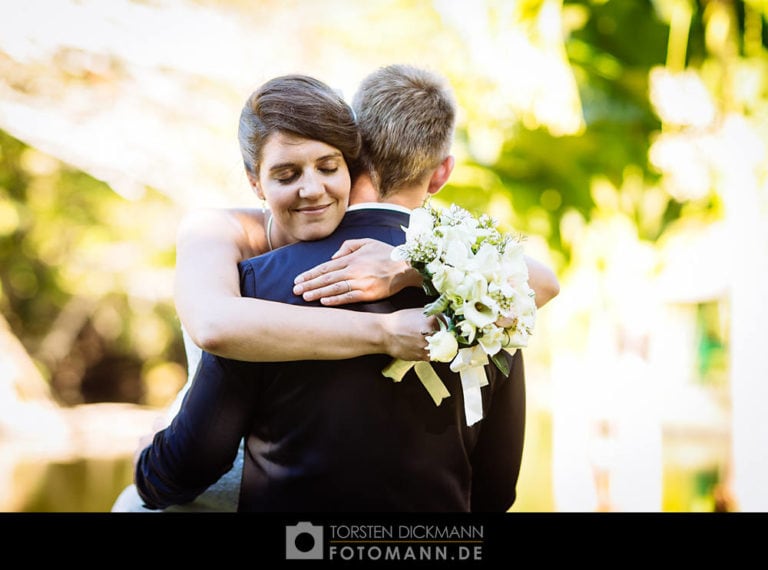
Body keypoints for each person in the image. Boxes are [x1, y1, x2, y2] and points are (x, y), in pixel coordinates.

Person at [134, 64, 541, 512]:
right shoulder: (489, 297)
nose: (312, 189)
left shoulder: (261, 283)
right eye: (287, 176)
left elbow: (190, 463)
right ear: (441, 173)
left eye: (326, 167)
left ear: (352, 157)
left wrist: (147, 470)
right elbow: (496, 490)